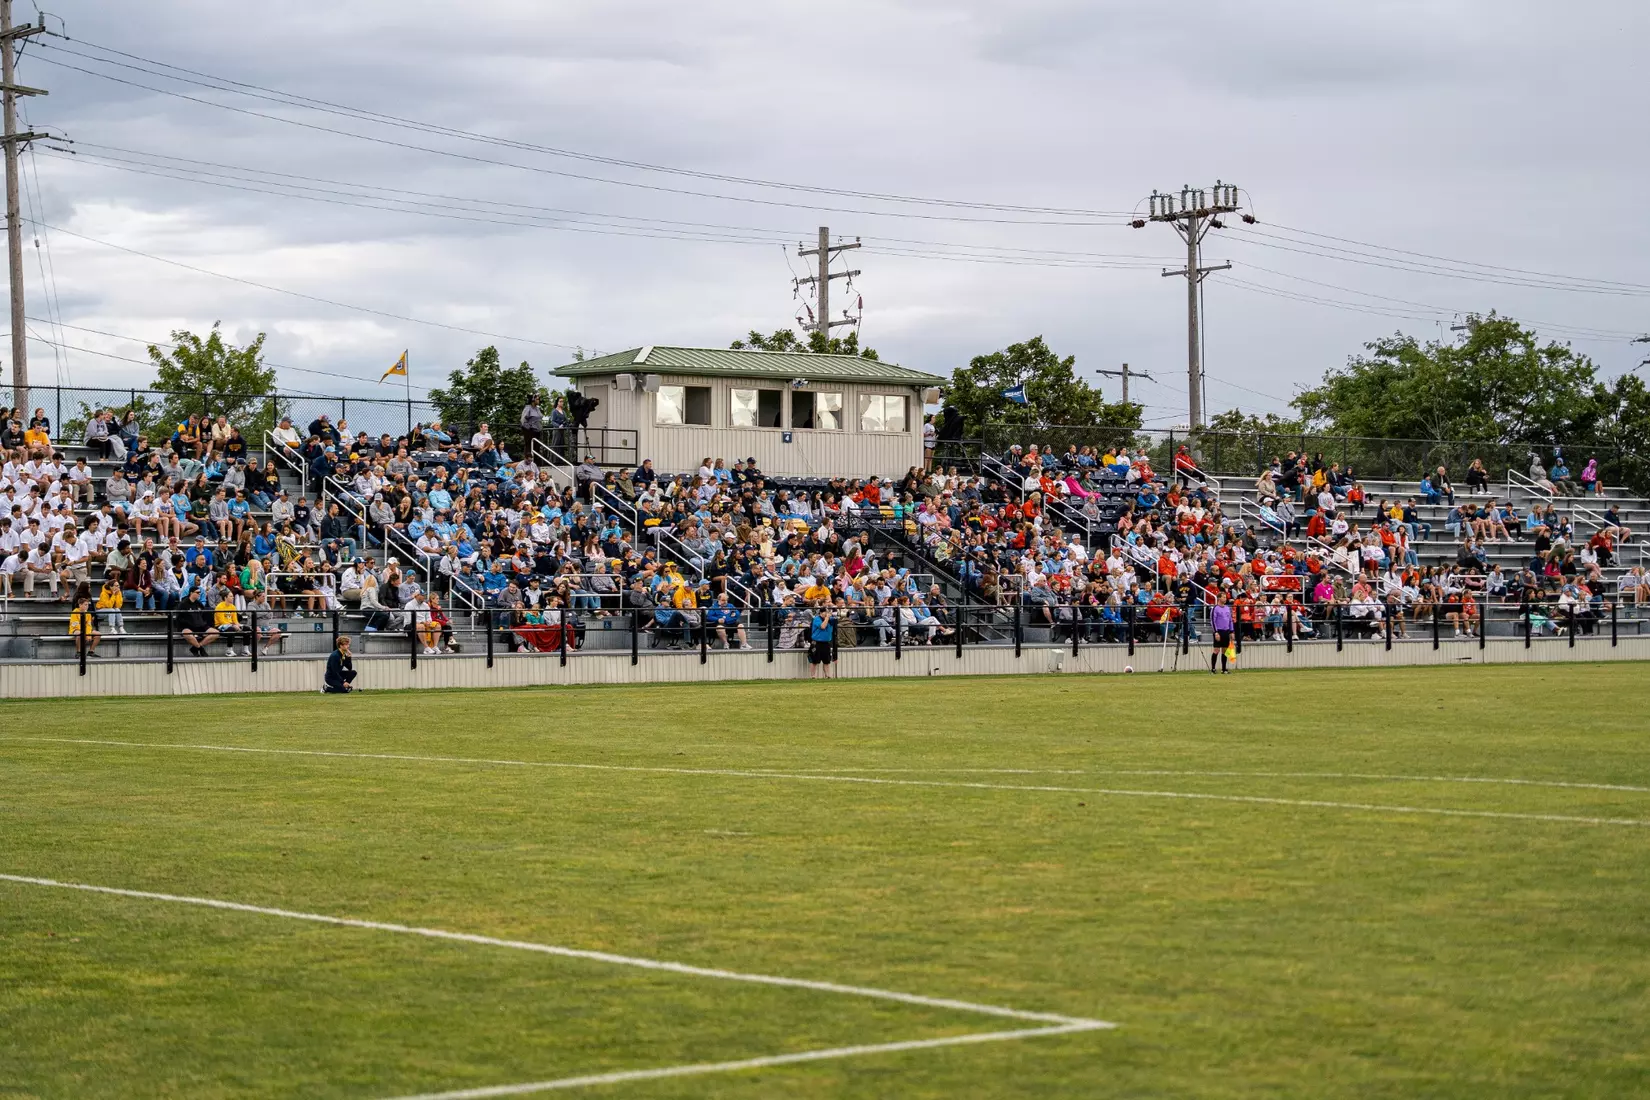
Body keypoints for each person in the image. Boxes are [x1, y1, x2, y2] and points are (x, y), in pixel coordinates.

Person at [807, 601, 836, 679]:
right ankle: (813, 676)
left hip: (826, 642)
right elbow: (822, 626)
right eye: (825, 612)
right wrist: (826, 619)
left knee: (827, 661)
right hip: (817, 642)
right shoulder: (817, 619)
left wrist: (831, 618)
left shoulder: (830, 619)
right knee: (814, 660)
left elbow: (835, 622)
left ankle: (827, 675)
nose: (827, 614)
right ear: (821, 613)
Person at [1209, 593, 1234, 674]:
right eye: (1223, 597)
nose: (1225, 599)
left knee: (1225, 650)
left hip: (1226, 631)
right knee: (1216, 650)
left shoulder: (1227, 608)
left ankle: (1224, 669)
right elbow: (1213, 621)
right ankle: (1213, 669)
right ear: (1219, 598)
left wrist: (1231, 631)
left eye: (1225, 597)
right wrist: (1216, 632)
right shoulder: (1215, 608)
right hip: (1218, 631)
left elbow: (1230, 620)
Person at [519, 394, 543, 458]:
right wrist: (529, 428)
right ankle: (528, 462)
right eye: (537, 399)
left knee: (537, 447)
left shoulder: (537, 409)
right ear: (533, 400)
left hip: (537, 431)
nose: (539, 400)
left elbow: (540, 417)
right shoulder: (528, 408)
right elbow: (523, 420)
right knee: (529, 447)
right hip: (530, 431)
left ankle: (537, 463)